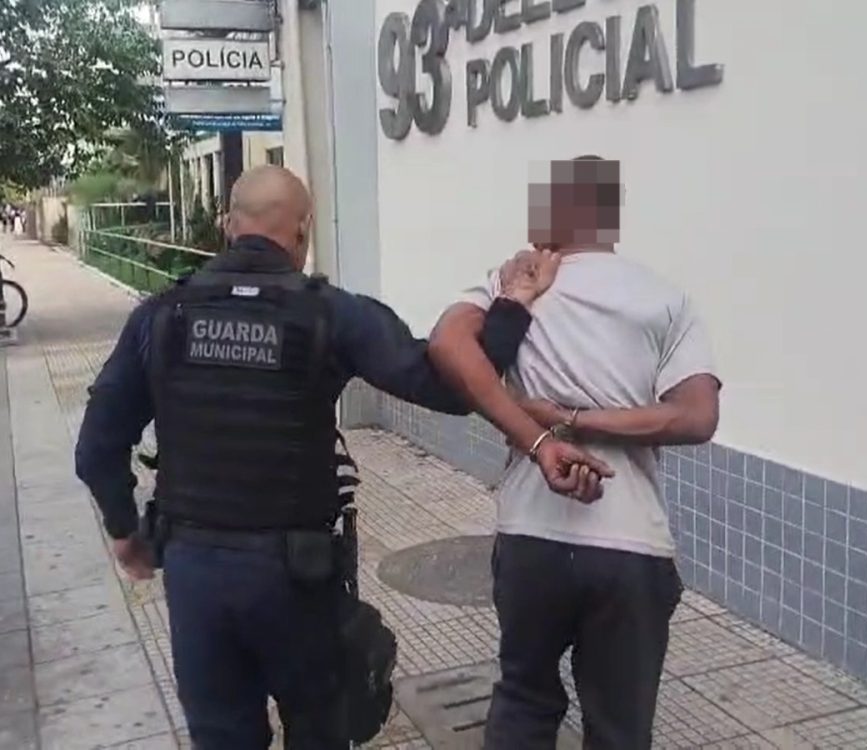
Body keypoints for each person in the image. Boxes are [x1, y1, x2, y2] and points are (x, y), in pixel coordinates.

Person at [75, 165, 611, 750]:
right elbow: (450, 390)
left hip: (194, 570)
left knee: (221, 736)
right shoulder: (331, 313)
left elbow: (97, 447)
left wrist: (125, 530)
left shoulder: (160, 316)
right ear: (303, 230)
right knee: (320, 730)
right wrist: (509, 306)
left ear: (228, 225)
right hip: (294, 578)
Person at [429, 156, 721, 749]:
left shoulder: (513, 281)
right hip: (630, 545)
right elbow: (697, 416)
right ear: (609, 216)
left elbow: (447, 344)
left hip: (530, 536)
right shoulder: (665, 298)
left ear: (550, 213)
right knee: (618, 726)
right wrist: (579, 421)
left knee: (523, 699)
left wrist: (549, 421)